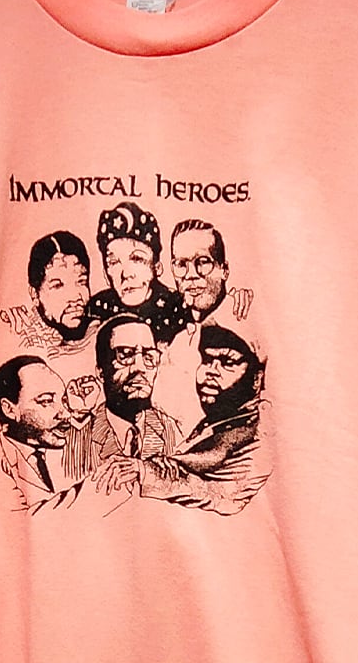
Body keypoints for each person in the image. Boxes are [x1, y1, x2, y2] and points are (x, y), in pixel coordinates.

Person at [116, 325, 269, 515]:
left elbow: (222, 493)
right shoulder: (212, 425)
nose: (211, 371)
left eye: (227, 362)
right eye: (207, 360)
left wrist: (144, 471)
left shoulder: (261, 433)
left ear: (257, 380)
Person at [155, 219, 255, 428]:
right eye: (181, 265)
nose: (191, 275)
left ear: (224, 269)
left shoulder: (244, 318)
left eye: (202, 262)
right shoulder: (178, 338)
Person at [85, 316, 181, 475]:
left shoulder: (170, 430)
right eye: (125, 355)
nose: (139, 367)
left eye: (149, 356)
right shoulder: (83, 435)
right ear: (101, 372)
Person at [0, 355, 87, 510]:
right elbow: (24, 516)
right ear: (9, 409)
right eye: (46, 401)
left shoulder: (65, 450)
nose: (65, 413)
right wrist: (95, 487)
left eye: (63, 400)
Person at [86, 201, 187, 343]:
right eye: (114, 262)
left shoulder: (175, 307)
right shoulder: (99, 307)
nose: (126, 274)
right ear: (106, 274)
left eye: (137, 259)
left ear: (157, 267)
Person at [0, 230, 97, 356]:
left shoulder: (99, 331)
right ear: (35, 294)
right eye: (58, 285)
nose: (75, 297)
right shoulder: (23, 335)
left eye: (81, 281)